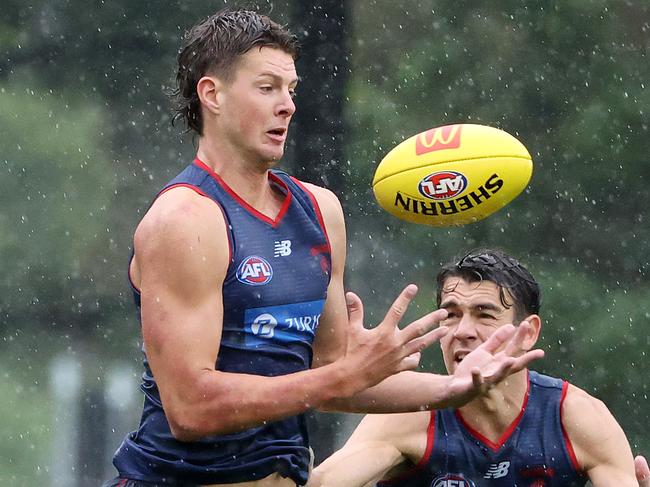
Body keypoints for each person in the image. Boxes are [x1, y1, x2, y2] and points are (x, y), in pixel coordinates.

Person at [103, 11, 545, 487]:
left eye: (291, 89)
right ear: (212, 94)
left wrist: (453, 389)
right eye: (267, 87)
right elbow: (190, 408)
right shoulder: (185, 220)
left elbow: (329, 376)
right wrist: (345, 376)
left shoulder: (319, 210)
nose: (288, 105)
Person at [309, 249, 649, 487]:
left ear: (527, 332)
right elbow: (326, 483)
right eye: (452, 314)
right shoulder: (412, 414)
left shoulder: (575, 417)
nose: (463, 331)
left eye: (484, 314)